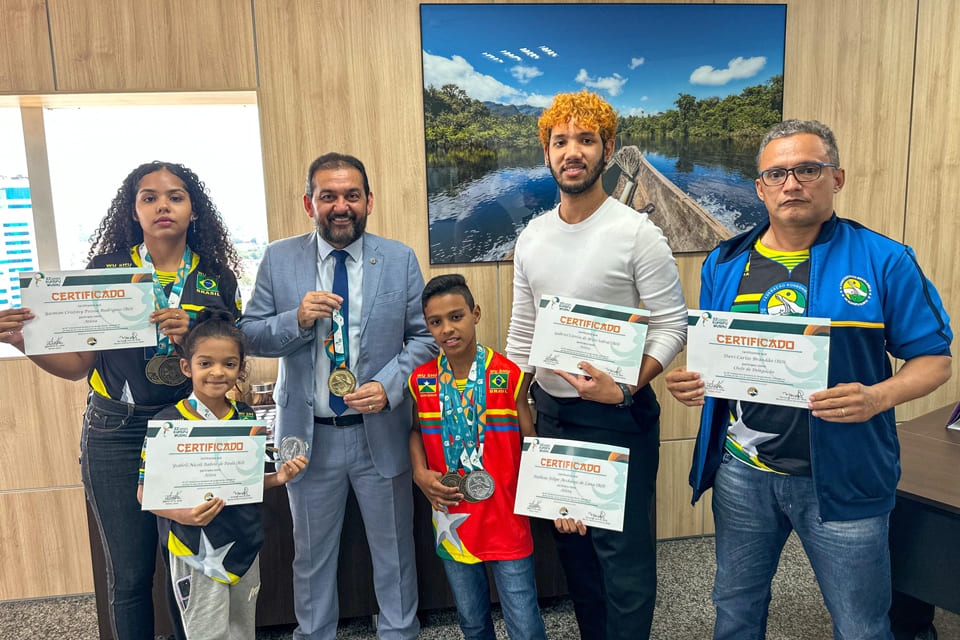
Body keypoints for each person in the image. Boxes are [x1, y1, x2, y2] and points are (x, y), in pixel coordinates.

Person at [665, 119, 952, 640]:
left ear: (836, 178)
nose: (791, 184)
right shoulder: (724, 262)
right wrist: (692, 383)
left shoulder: (885, 260)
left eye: (807, 170)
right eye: (776, 174)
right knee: (733, 608)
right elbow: (721, 359)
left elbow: (936, 360)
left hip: (844, 476)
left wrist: (877, 396)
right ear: (759, 187)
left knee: (862, 624)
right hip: (742, 473)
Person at [0, 161, 243, 639]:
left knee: (190, 570)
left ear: (193, 210)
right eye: (148, 197)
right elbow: (78, 368)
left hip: (188, 430)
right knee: (131, 576)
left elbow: (228, 367)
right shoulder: (108, 274)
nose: (162, 206)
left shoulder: (215, 277)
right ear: (134, 212)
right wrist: (22, 344)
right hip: (116, 431)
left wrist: (191, 337)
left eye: (175, 196)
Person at [505, 90, 688, 640]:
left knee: (624, 565)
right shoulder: (532, 236)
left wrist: (628, 386)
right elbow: (522, 333)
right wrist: (518, 405)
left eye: (585, 140)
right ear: (547, 153)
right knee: (576, 556)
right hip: (554, 419)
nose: (572, 151)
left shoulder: (637, 233)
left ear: (608, 149)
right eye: (560, 141)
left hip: (618, 417)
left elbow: (671, 325)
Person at [239, 152, 437, 640]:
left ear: (369, 201)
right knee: (311, 558)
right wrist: (297, 320)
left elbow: (424, 339)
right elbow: (249, 334)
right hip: (309, 441)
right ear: (310, 202)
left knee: (394, 552)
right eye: (328, 196)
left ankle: (400, 633)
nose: (341, 205)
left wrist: (390, 385)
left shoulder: (399, 258)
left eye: (351, 195)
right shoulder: (279, 258)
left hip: (381, 433)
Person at [137, 308, 307, 640]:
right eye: (205, 363)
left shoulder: (244, 415)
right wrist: (183, 515)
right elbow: (145, 493)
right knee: (205, 633)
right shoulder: (168, 421)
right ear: (186, 366)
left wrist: (277, 478)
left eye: (229, 364)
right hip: (194, 548)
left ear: (241, 368)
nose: (218, 372)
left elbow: (244, 483)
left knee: (242, 630)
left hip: (242, 540)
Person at [409, 274, 547, 640]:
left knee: (524, 620)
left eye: (456, 316)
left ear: (476, 313)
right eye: (435, 322)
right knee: (471, 619)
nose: (447, 329)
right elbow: (415, 432)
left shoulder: (509, 375)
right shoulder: (420, 380)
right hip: (452, 517)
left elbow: (530, 439)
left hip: (506, 514)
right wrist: (419, 473)